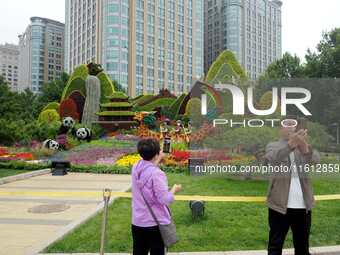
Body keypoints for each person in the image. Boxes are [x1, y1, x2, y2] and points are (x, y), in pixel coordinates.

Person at [265, 119, 320, 255]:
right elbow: (272, 159)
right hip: (279, 206)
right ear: (280, 130)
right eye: (286, 126)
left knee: (302, 246)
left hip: (303, 206)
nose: (290, 129)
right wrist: (290, 144)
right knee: (275, 246)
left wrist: (303, 145)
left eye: (292, 126)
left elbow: (315, 161)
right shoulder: (273, 145)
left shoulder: (304, 146)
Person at [131, 138, 182, 255]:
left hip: (138, 222)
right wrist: (174, 189)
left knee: (139, 252)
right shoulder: (157, 174)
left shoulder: (136, 167)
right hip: (154, 224)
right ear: (155, 153)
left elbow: (148, 167)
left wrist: (158, 157)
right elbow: (165, 200)